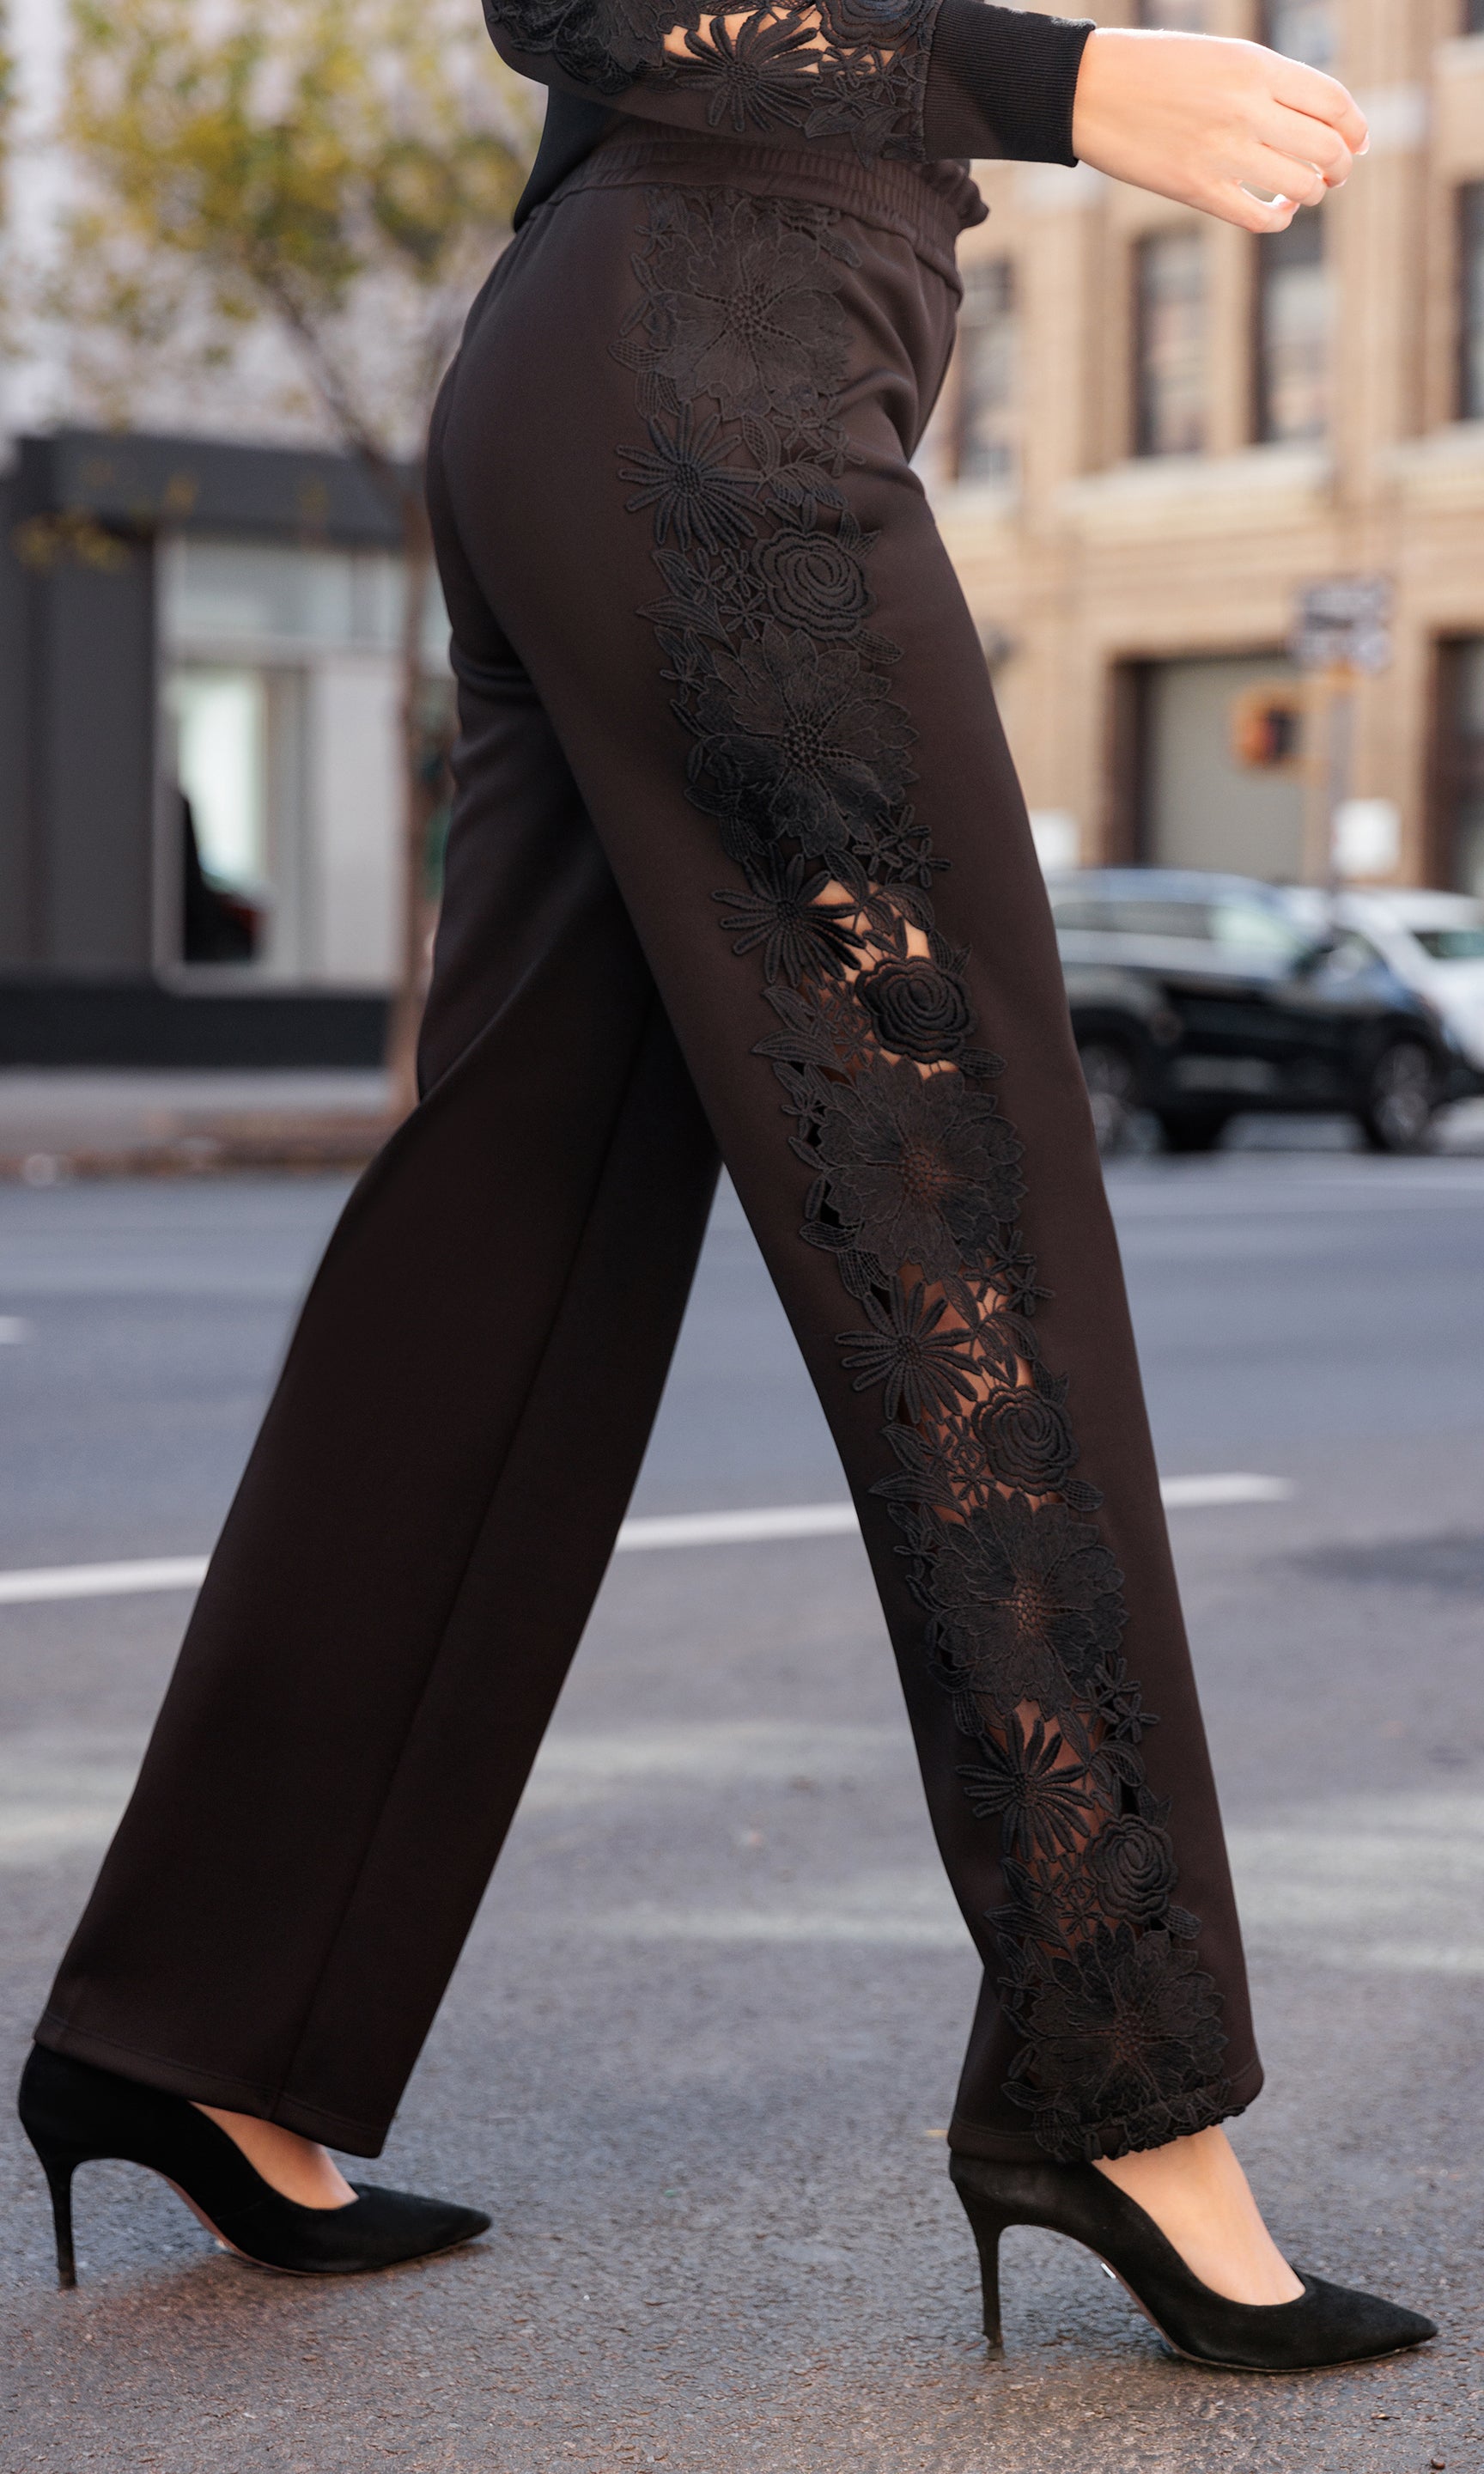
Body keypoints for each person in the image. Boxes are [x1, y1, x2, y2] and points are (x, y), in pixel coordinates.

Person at [19, 4, 1436, 2373]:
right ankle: (1124, 2094)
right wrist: (1060, 83)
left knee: (507, 1239)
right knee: (965, 1207)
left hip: (637, 356)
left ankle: (204, 2022)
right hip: (717, 380)